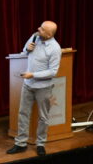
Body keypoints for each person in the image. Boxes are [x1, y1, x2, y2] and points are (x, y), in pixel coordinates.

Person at [6, 20, 61, 156]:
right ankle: (21, 143)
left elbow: (53, 71)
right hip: (28, 85)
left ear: (48, 35)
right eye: (40, 27)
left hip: (43, 87)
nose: (38, 29)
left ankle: (40, 143)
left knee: (43, 117)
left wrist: (33, 75)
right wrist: (27, 49)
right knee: (23, 113)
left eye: (42, 29)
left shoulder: (55, 48)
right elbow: (25, 51)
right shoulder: (35, 36)